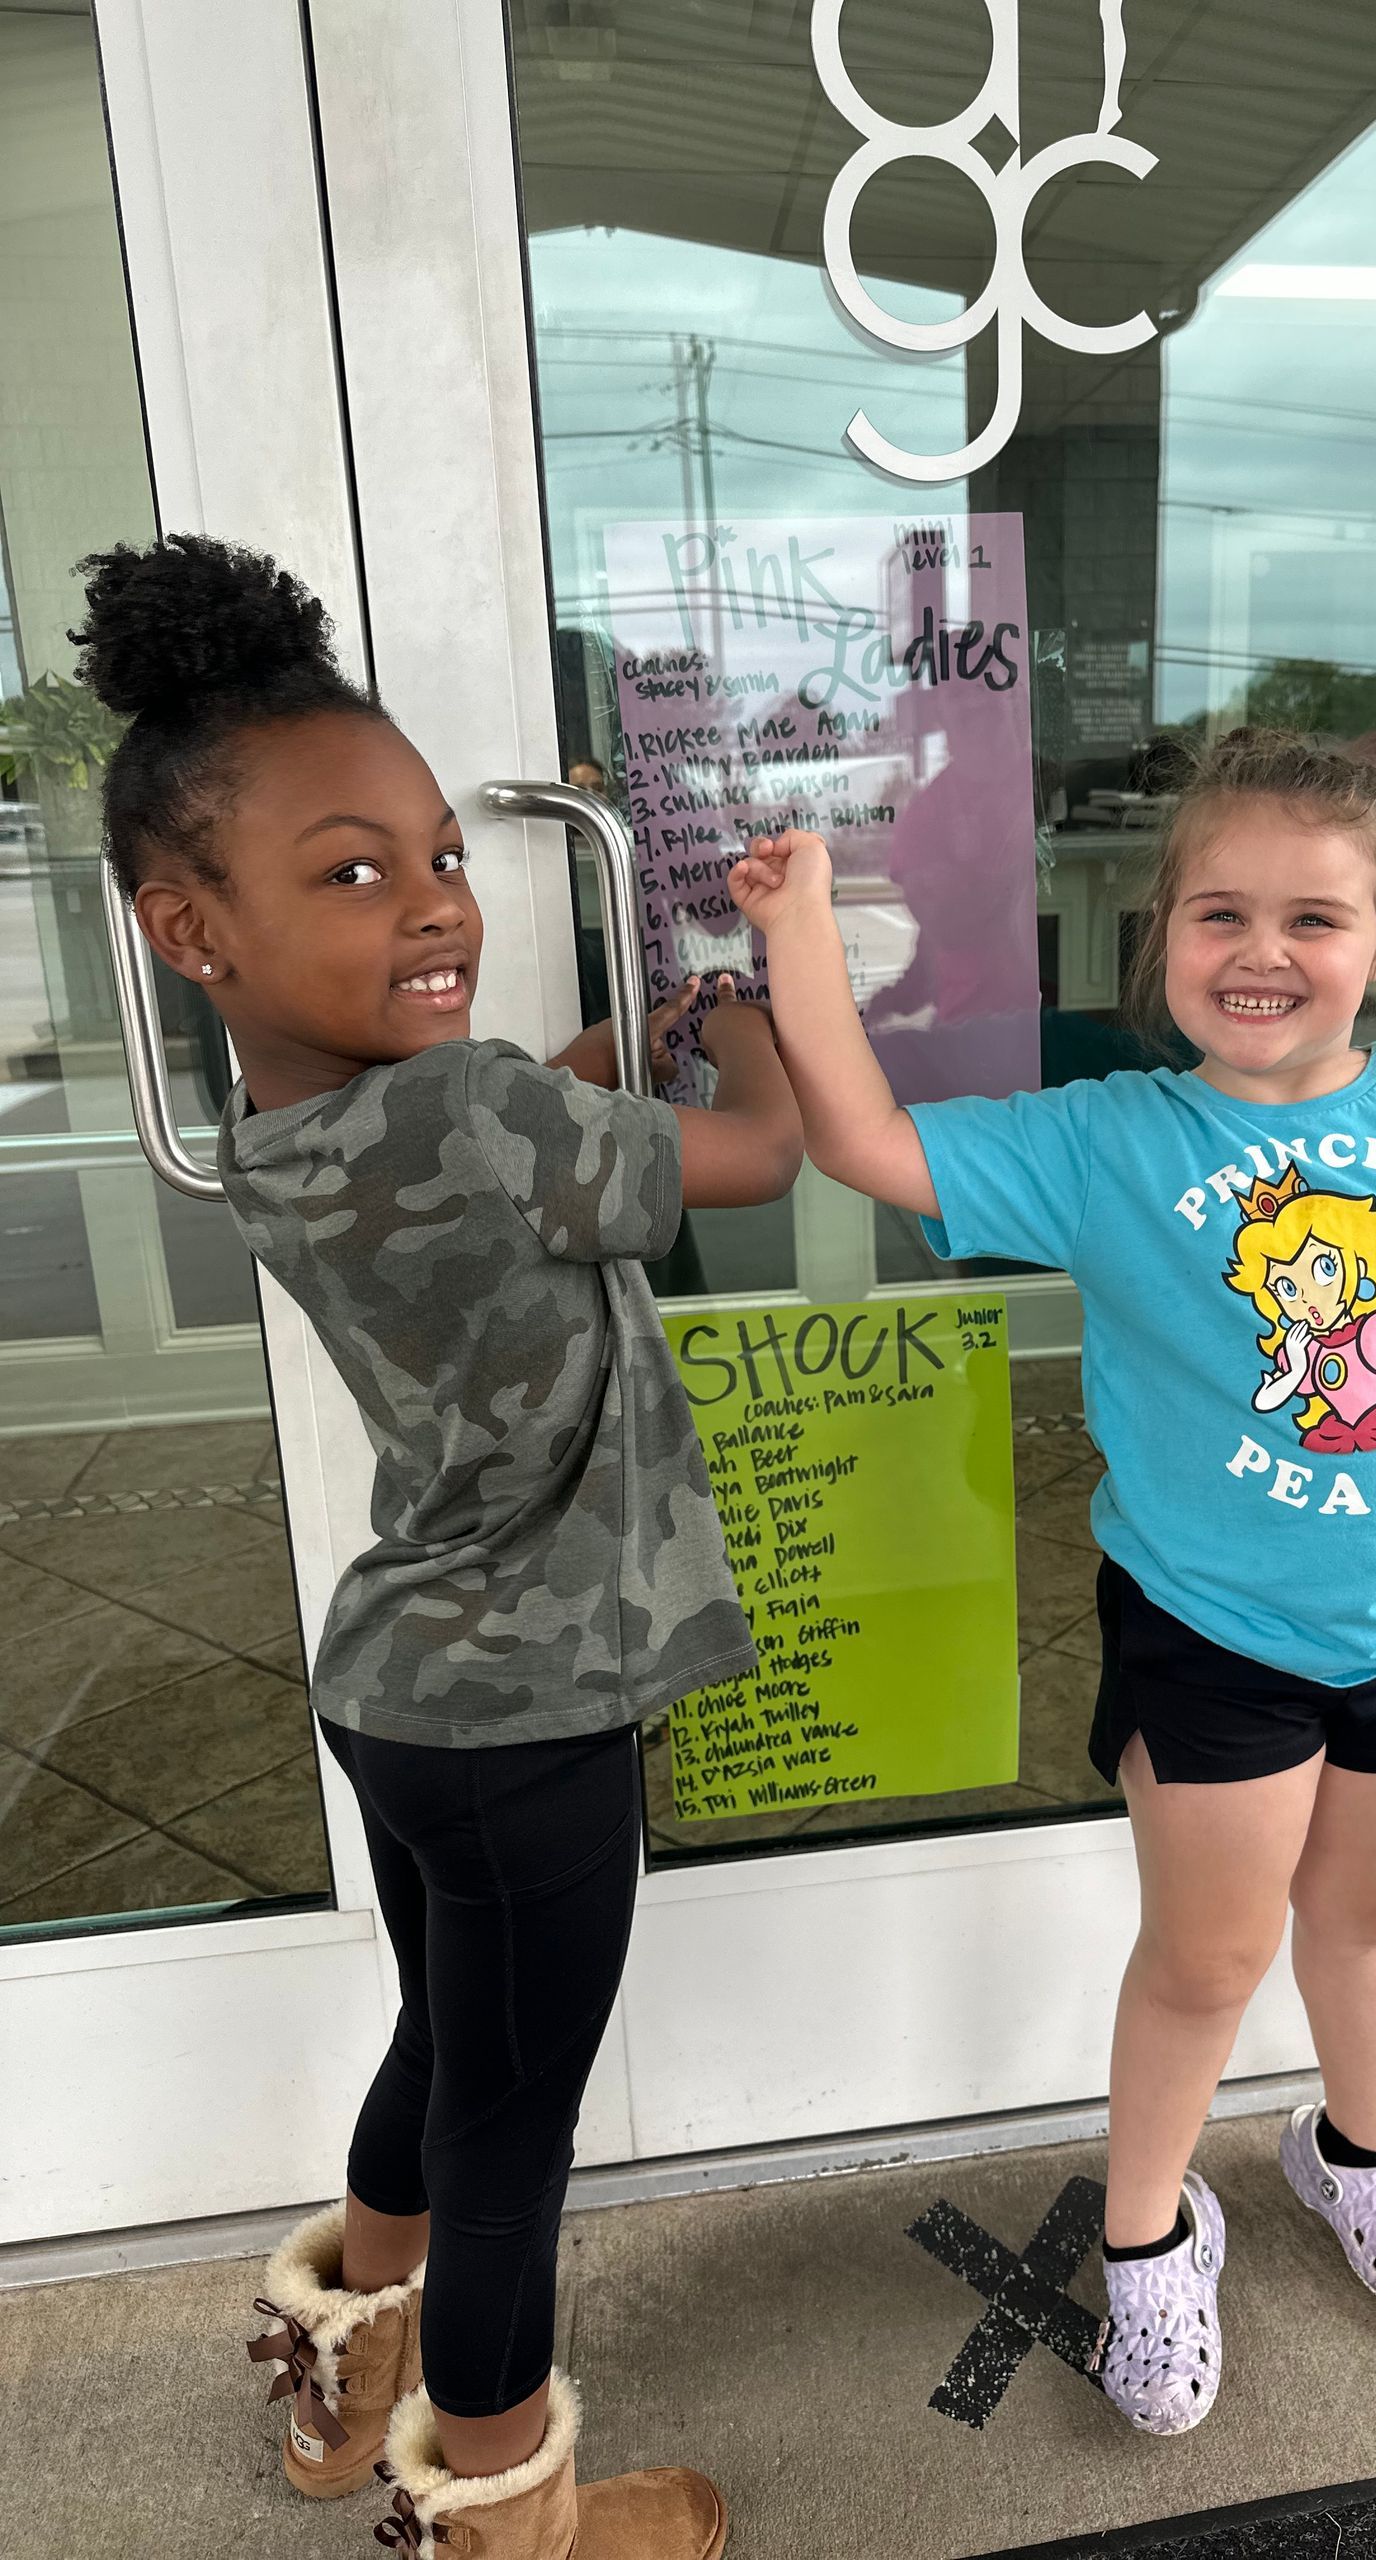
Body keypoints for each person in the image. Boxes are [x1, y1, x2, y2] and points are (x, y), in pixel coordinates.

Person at [733, 729, 1376, 2438]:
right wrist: (797, 929)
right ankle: (1153, 2234)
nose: (1264, 952)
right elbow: (866, 1146)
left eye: (1315, 917)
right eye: (1221, 912)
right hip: (1212, 1635)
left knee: (1371, 1920)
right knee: (1206, 1961)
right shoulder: (1108, 1139)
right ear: (1160, 940)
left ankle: (1357, 2151)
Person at [75, 533, 802, 2557]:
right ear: (185, 921)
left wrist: (557, 1079)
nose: (435, 902)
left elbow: (482, 1135)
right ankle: (501, 2504)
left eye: (436, 856)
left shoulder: (279, 1126)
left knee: (441, 2046)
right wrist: (721, 1017)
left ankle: (341, 2383)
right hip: (534, 1705)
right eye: (352, 869)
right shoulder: (480, 1115)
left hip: (404, 1699)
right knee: (515, 2131)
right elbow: (752, 1150)